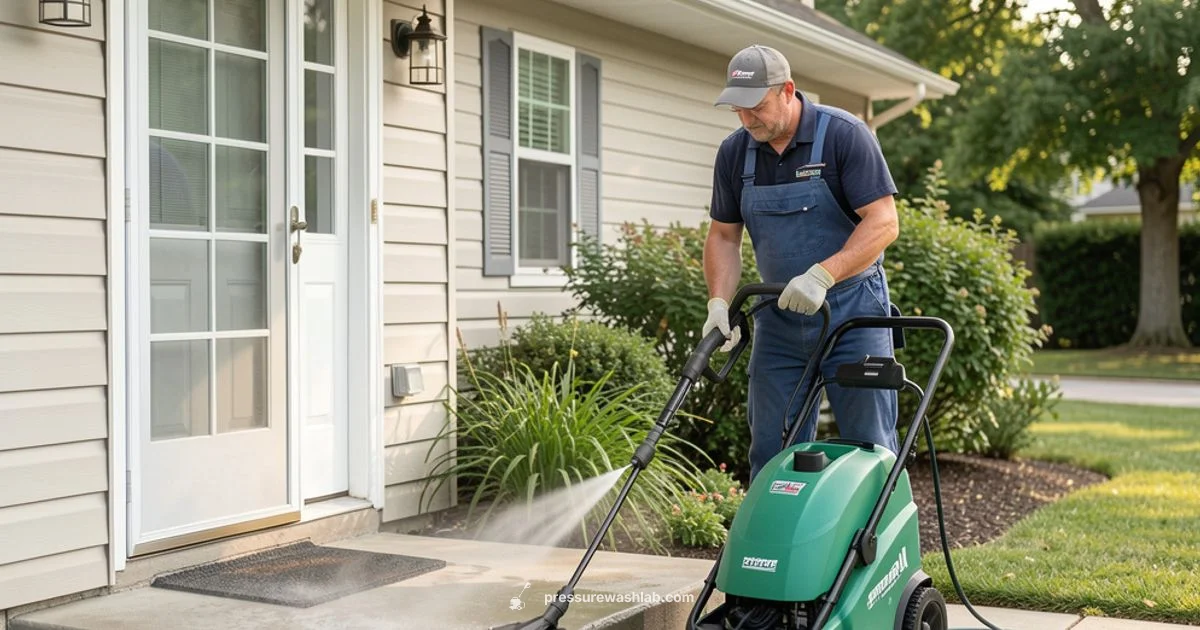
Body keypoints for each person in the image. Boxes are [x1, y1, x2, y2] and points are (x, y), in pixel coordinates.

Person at [702, 44, 903, 481]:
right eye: (737, 110)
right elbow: (723, 235)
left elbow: (884, 222)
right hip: (779, 318)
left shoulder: (845, 135)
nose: (746, 119)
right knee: (771, 446)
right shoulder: (735, 153)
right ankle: (779, 547)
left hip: (853, 315)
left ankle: (874, 546)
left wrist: (823, 274)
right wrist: (718, 303)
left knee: (869, 445)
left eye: (755, 107)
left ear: (788, 90)